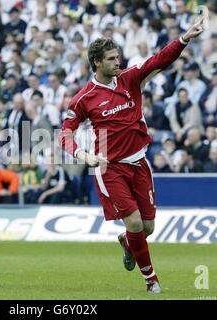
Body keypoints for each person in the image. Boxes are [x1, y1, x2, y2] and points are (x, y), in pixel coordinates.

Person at [59, 18, 205, 293]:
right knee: (135, 222)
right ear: (97, 63)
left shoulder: (130, 78)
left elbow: (159, 60)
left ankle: (128, 242)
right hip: (109, 167)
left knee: (146, 227)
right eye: (112, 58)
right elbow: (65, 132)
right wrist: (82, 154)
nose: (118, 61)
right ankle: (152, 281)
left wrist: (184, 39)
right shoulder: (83, 98)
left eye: (118, 56)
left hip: (140, 163)